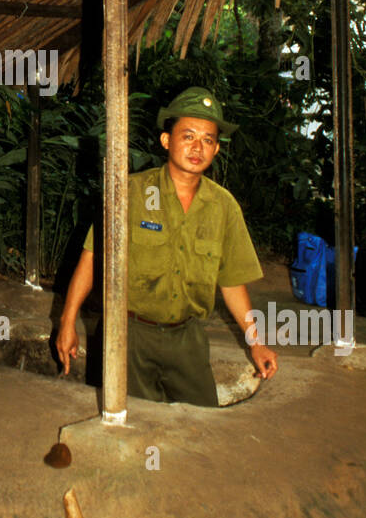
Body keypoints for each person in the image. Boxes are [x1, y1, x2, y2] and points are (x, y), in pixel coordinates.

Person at [57, 87, 278, 406]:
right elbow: (92, 260)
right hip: (129, 335)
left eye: (208, 139)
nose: (197, 147)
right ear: (166, 141)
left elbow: (232, 282)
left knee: (201, 426)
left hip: (187, 338)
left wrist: (256, 342)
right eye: (188, 135)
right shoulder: (130, 193)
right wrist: (67, 321)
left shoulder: (223, 207)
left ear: (216, 150)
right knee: (130, 424)